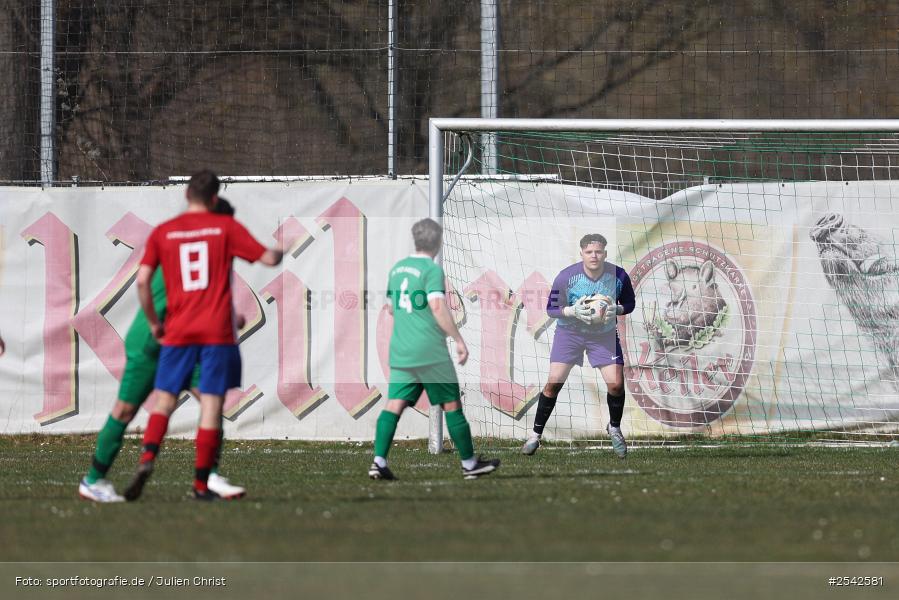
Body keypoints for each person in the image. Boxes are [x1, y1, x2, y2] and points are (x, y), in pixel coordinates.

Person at [125, 172, 282, 500]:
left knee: (165, 400)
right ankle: (200, 484)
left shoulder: (164, 232)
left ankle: (147, 458)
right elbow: (268, 258)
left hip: (178, 330)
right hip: (216, 333)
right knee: (211, 405)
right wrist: (281, 249)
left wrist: (155, 322)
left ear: (186, 194)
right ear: (215, 199)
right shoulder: (225, 227)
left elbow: (141, 281)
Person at [77, 199, 246, 503]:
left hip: (181, 340)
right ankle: (93, 479)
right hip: (153, 341)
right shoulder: (199, 248)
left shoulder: (190, 244)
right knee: (126, 410)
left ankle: (209, 475)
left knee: (211, 401)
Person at [369, 218, 500, 481]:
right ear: (438, 242)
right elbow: (438, 307)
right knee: (451, 404)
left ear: (415, 239)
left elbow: (392, 307)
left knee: (394, 403)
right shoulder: (431, 270)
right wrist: (459, 339)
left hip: (402, 349)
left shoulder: (398, 269)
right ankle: (469, 464)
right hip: (429, 350)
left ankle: (378, 461)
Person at [521, 233, 635, 458]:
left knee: (616, 386)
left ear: (605, 253)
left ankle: (614, 427)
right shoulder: (566, 277)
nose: (594, 256)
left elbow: (630, 302)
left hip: (603, 336)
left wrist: (618, 310)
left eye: (598, 251)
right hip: (570, 333)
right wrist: (571, 310)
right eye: (589, 252)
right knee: (554, 383)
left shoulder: (619, 275)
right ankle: (535, 435)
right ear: (581, 253)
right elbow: (551, 309)